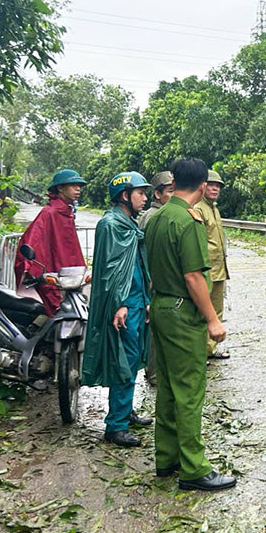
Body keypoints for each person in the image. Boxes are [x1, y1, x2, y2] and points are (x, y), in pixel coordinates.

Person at [144, 158, 236, 491]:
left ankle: (166, 458)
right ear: (200, 186)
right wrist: (213, 320)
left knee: (168, 386)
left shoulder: (157, 218)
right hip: (183, 312)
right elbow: (194, 275)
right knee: (190, 390)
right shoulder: (188, 219)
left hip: (161, 306)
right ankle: (194, 467)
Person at [82, 172, 154, 447]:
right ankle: (115, 427)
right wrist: (120, 304)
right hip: (124, 305)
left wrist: (144, 298)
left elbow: (135, 265)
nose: (145, 198)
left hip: (136, 301)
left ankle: (125, 411)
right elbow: (112, 271)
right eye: (140, 193)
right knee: (124, 361)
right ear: (125, 195)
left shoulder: (128, 223)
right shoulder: (111, 224)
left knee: (134, 360)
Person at [14, 169, 87, 315]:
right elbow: (31, 240)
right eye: (73, 185)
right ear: (60, 188)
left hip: (70, 277)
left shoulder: (68, 212)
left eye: (79, 185)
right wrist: (30, 268)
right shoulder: (50, 213)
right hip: (54, 276)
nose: (78, 189)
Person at [138, 170, 174, 387]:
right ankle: (154, 374)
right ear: (158, 194)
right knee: (154, 329)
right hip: (152, 279)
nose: (174, 195)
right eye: (170, 191)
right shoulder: (153, 217)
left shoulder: (156, 215)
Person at [192, 170, 230, 360]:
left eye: (219, 186)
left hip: (220, 270)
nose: (216, 188)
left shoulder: (214, 209)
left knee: (217, 310)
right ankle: (201, 352)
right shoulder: (198, 208)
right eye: (212, 184)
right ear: (202, 186)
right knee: (203, 313)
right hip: (206, 271)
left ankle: (211, 348)